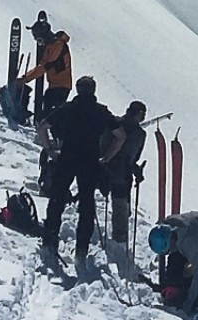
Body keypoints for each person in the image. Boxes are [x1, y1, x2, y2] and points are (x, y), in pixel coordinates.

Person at [38, 76, 125, 266]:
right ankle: (81, 250)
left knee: (57, 199)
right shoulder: (101, 111)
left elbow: (43, 126)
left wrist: (49, 150)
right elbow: (120, 136)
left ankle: (49, 242)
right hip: (90, 161)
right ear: (93, 90)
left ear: (77, 90)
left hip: (67, 158)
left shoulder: (67, 108)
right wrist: (106, 158)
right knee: (87, 205)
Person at [100, 101, 149, 275]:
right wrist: (136, 170)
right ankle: (119, 245)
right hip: (123, 175)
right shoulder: (140, 134)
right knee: (121, 209)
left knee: (110, 203)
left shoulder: (114, 123)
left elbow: (103, 144)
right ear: (139, 114)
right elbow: (133, 157)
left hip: (104, 170)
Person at [19, 24, 72, 122]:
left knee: (51, 115)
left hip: (61, 86)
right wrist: (25, 78)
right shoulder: (52, 46)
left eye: (37, 36)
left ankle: (49, 132)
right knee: (48, 111)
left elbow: (45, 66)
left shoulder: (58, 45)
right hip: (56, 85)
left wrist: (26, 79)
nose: (36, 39)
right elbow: (43, 66)